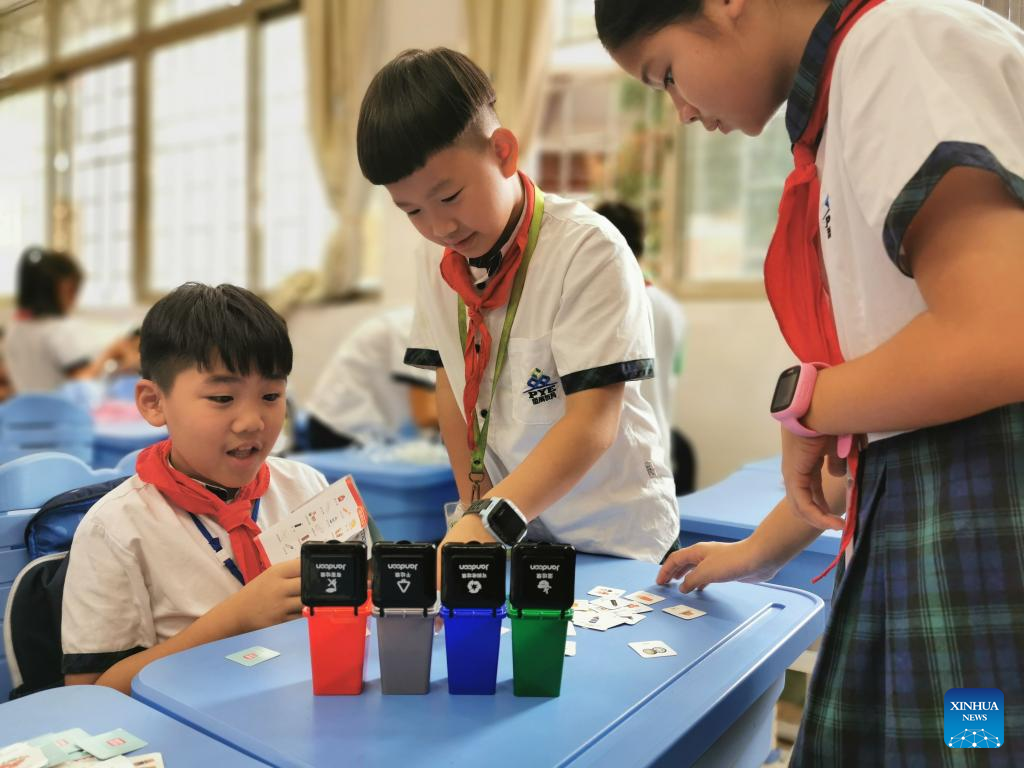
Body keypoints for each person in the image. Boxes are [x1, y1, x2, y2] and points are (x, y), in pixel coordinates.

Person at [596, 0, 1024, 763]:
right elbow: (909, 408)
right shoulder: (842, 104)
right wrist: (760, 548)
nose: (681, 111)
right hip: (927, 537)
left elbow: (1000, 332)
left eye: (667, 75)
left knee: (978, 746)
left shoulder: (895, 47)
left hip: (980, 554)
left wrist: (812, 404)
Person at [356, 48, 678, 564]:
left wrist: (489, 521)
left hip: (613, 536)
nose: (440, 227)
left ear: (503, 152)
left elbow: (592, 422)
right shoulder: (434, 259)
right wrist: (474, 506)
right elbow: (449, 385)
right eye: (412, 210)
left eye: (450, 196)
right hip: (514, 533)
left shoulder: (587, 249)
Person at [62, 283, 329, 695]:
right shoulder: (115, 529)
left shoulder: (308, 488)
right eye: (222, 398)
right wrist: (234, 620)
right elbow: (91, 691)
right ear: (154, 402)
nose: (252, 421)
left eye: (271, 395)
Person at [594, 201, 687, 480]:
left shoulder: (605, 304)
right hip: (658, 449)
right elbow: (673, 374)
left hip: (617, 461)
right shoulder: (671, 309)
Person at [4, 246, 138, 393]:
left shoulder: (14, 329)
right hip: (62, 407)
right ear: (63, 287)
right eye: (73, 289)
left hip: (24, 407)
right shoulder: (60, 330)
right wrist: (110, 352)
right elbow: (81, 382)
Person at [305, 306, 438, 449]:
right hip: (340, 427)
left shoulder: (422, 324)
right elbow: (426, 414)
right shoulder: (415, 327)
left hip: (362, 426)